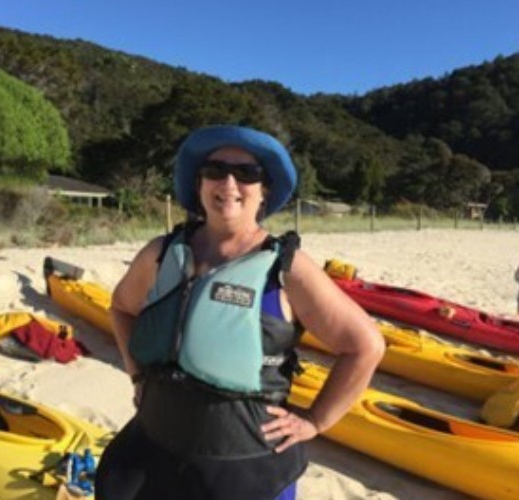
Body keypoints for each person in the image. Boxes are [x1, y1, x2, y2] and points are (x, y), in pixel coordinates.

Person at [95, 125, 385, 499]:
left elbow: (365, 346)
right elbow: (122, 308)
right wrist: (137, 376)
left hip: (245, 466)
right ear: (199, 185)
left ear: (264, 191)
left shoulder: (287, 269)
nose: (229, 183)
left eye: (247, 173)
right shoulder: (162, 252)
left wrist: (315, 421)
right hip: (153, 451)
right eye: (215, 170)